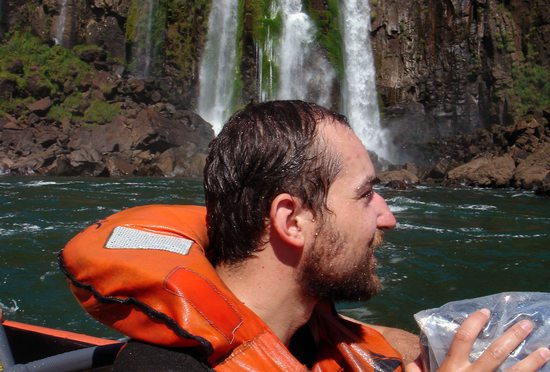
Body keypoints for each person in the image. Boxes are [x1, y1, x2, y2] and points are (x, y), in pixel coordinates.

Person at [67, 100, 548, 371]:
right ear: (291, 221)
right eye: (366, 196)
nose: (389, 218)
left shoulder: (312, 331)